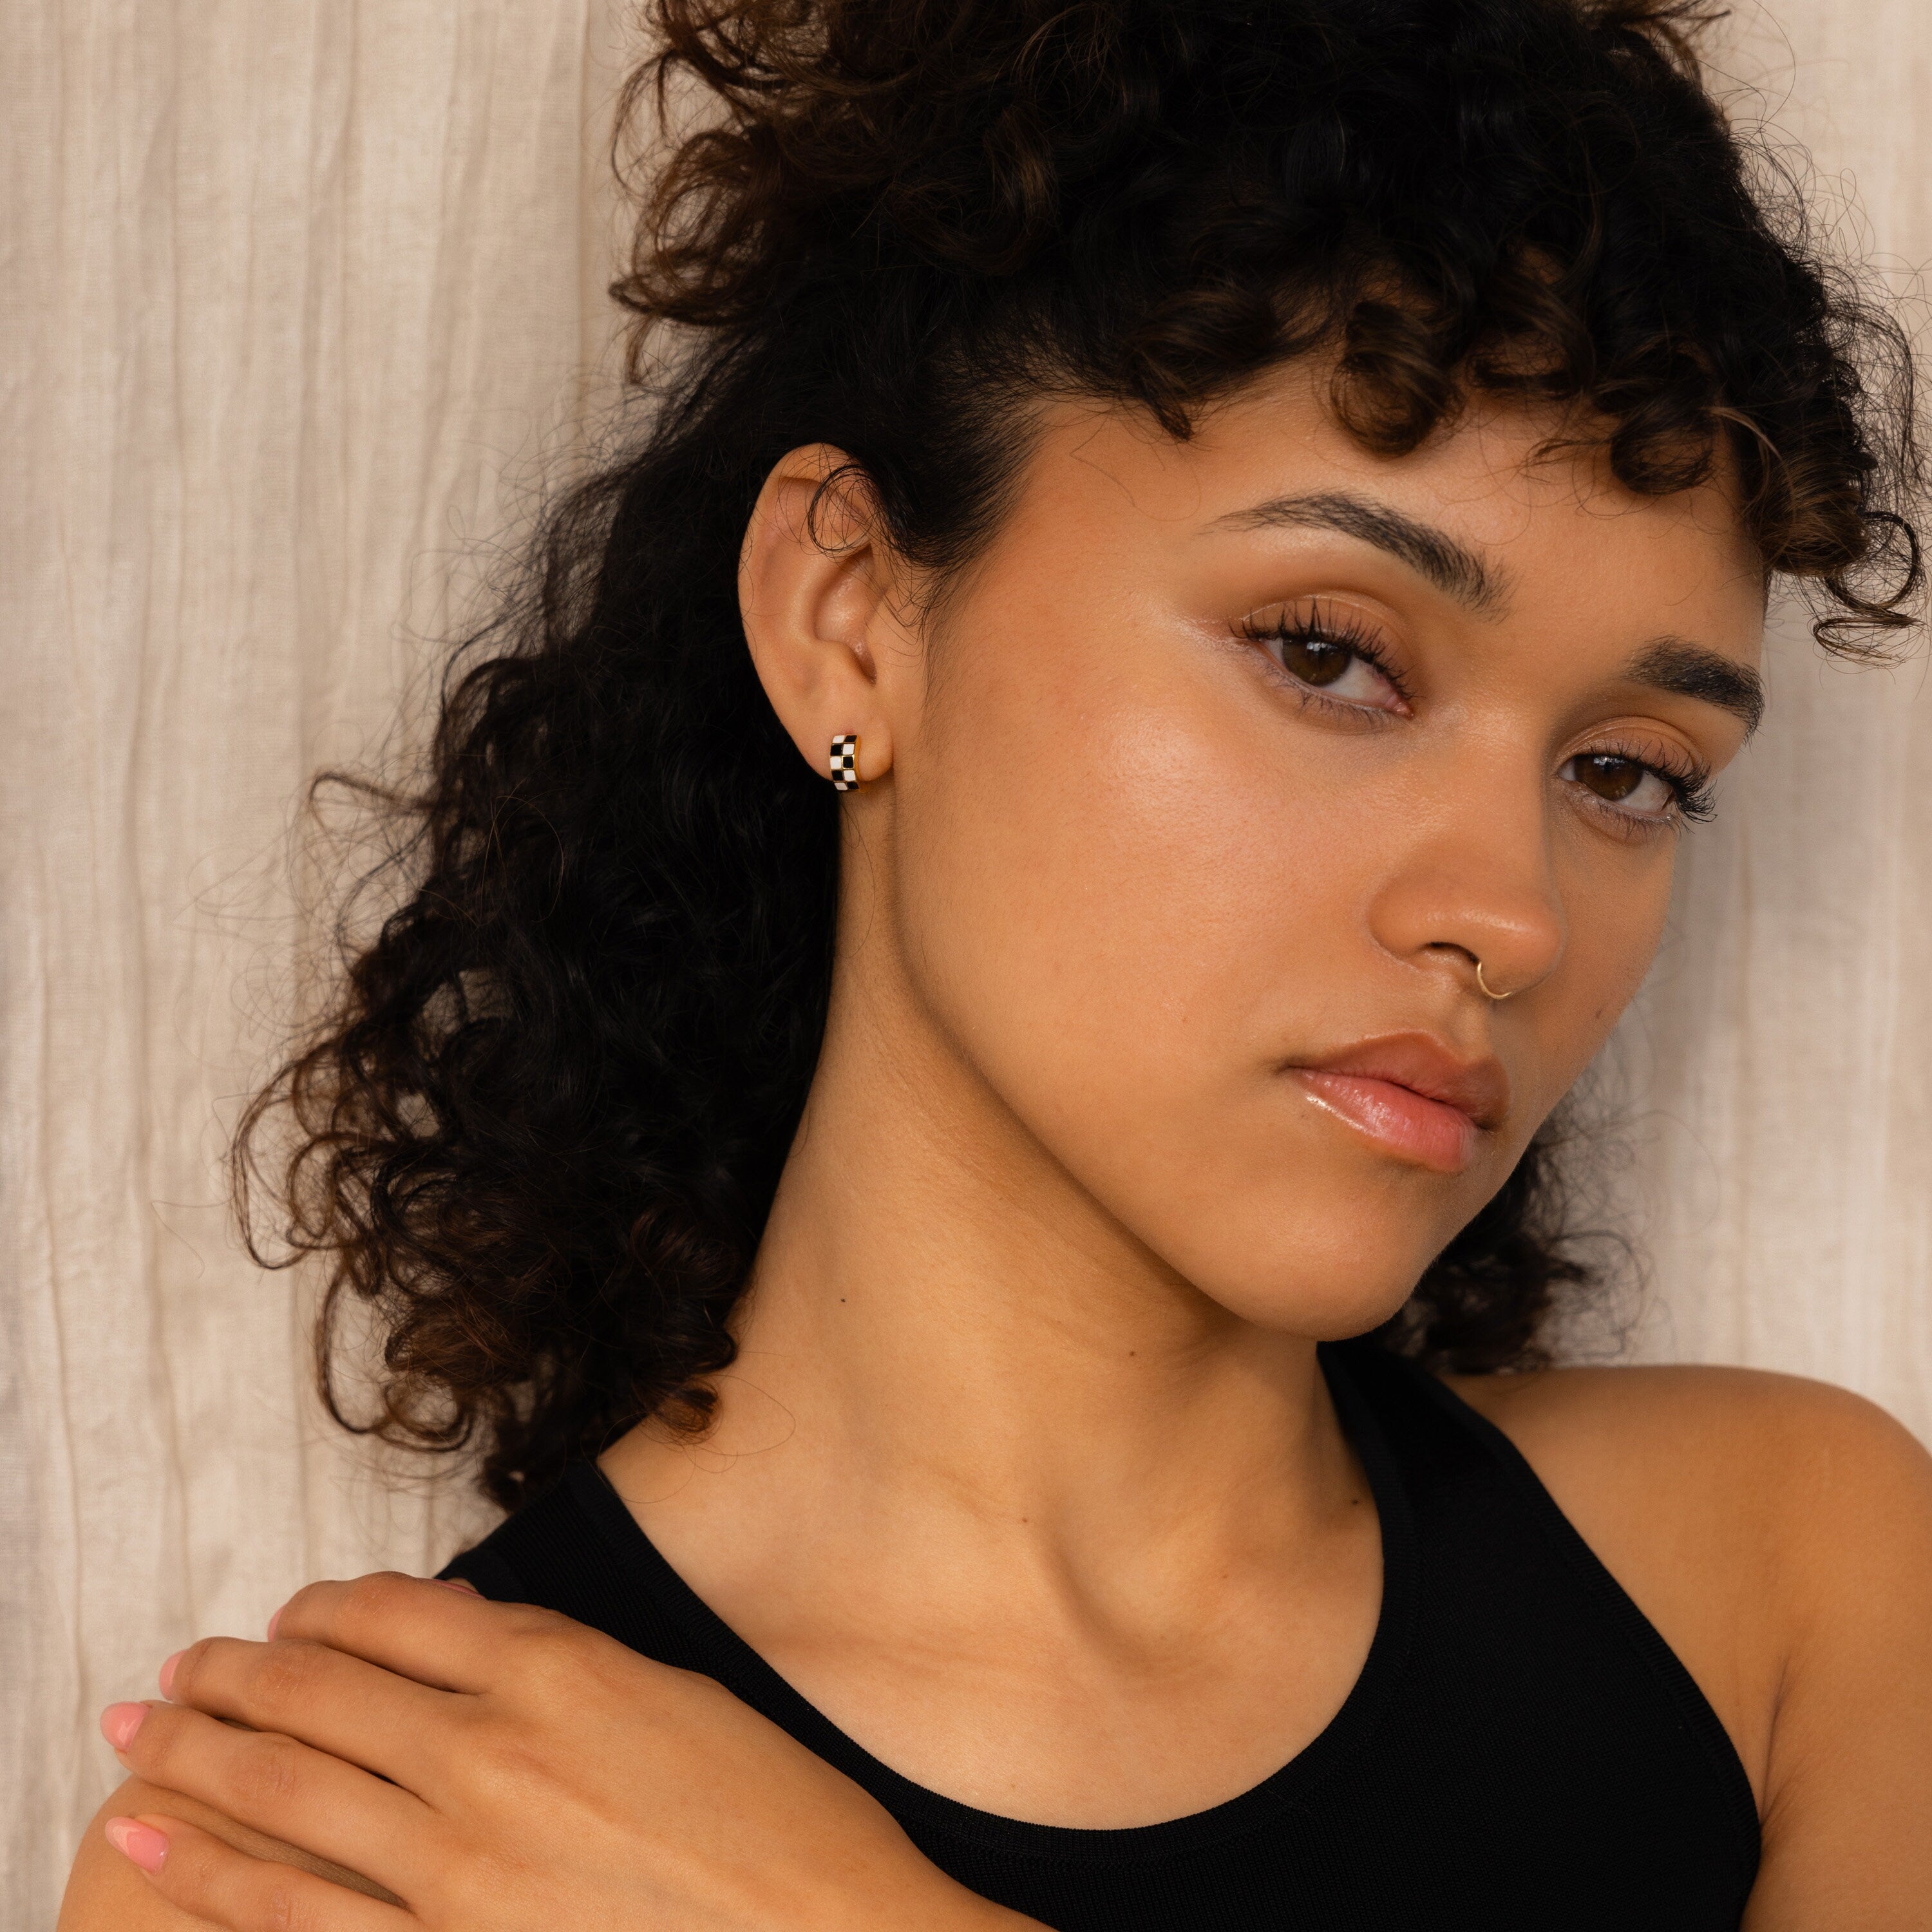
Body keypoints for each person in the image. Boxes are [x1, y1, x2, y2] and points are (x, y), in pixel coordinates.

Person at [57, 0, 1932, 1926]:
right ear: (851, 618)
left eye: (1627, 773)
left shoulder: (1786, 1583)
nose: (1516, 914)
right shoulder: (345, 1855)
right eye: (1326, 652)